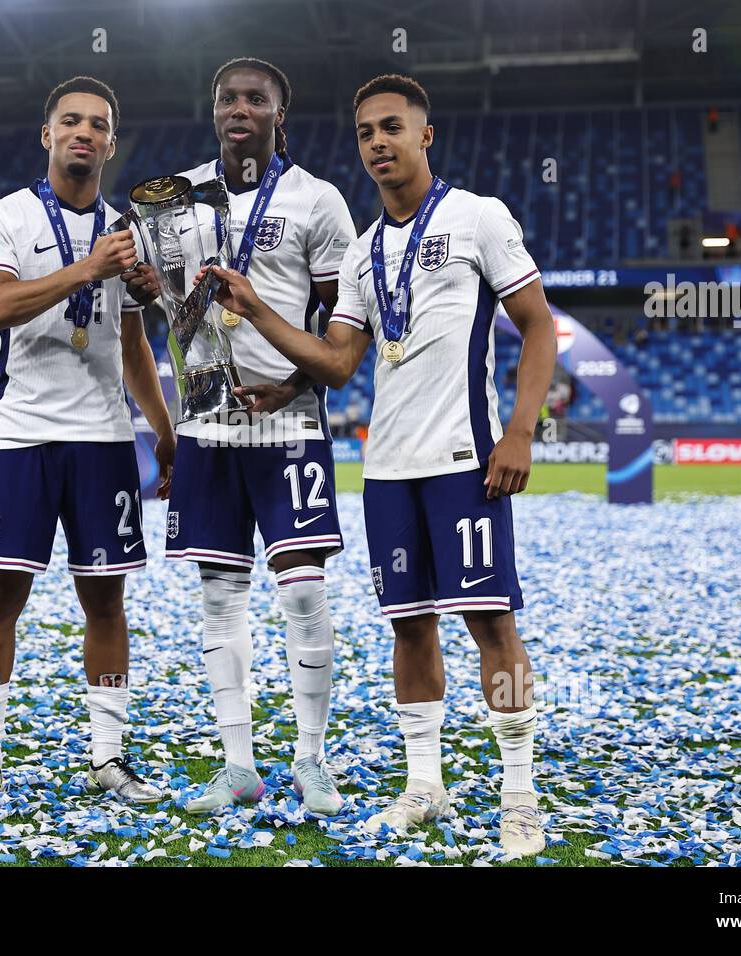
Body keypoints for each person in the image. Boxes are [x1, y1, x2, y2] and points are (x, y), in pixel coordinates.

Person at [197, 74, 556, 855]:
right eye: (365, 133)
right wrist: (261, 318)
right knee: (410, 629)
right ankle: (425, 784)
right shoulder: (362, 251)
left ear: (425, 135)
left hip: (466, 459)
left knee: (492, 625)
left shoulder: (478, 219)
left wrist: (522, 430)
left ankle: (520, 794)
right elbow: (337, 362)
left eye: (393, 127)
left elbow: (538, 328)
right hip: (388, 470)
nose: (378, 143)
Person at [0, 76, 174, 809]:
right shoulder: (3, 216)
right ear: (46, 135)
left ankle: (108, 759)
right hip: (24, 436)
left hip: (105, 440)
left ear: (112, 143)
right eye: (70, 121)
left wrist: (163, 430)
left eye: (98, 124)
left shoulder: (130, 232)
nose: (84, 132)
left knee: (105, 604)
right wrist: (87, 269)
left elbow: (135, 344)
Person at [166, 57, 357, 816]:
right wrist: (158, 294)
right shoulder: (175, 202)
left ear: (283, 111)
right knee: (221, 597)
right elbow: (175, 316)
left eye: (255, 98)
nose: (239, 108)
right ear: (213, 112)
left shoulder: (319, 201)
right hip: (208, 428)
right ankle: (238, 763)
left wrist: (296, 384)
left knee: (304, 593)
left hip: (289, 424)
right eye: (226, 99)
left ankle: (311, 757)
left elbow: (347, 327)